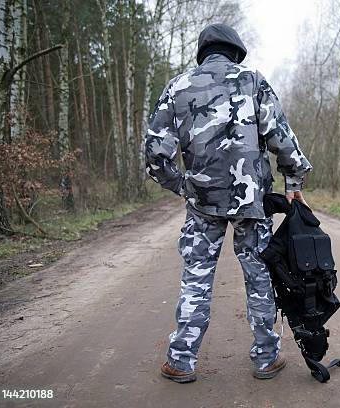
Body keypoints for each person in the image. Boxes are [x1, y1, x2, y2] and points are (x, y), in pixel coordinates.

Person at [143, 23, 312, 383]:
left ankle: (181, 361)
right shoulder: (252, 80)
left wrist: (184, 187)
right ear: (235, 51)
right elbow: (280, 136)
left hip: (203, 201)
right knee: (260, 276)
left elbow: (156, 155)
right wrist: (294, 179)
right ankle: (267, 358)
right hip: (252, 201)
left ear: (203, 53)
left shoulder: (178, 86)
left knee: (196, 278)